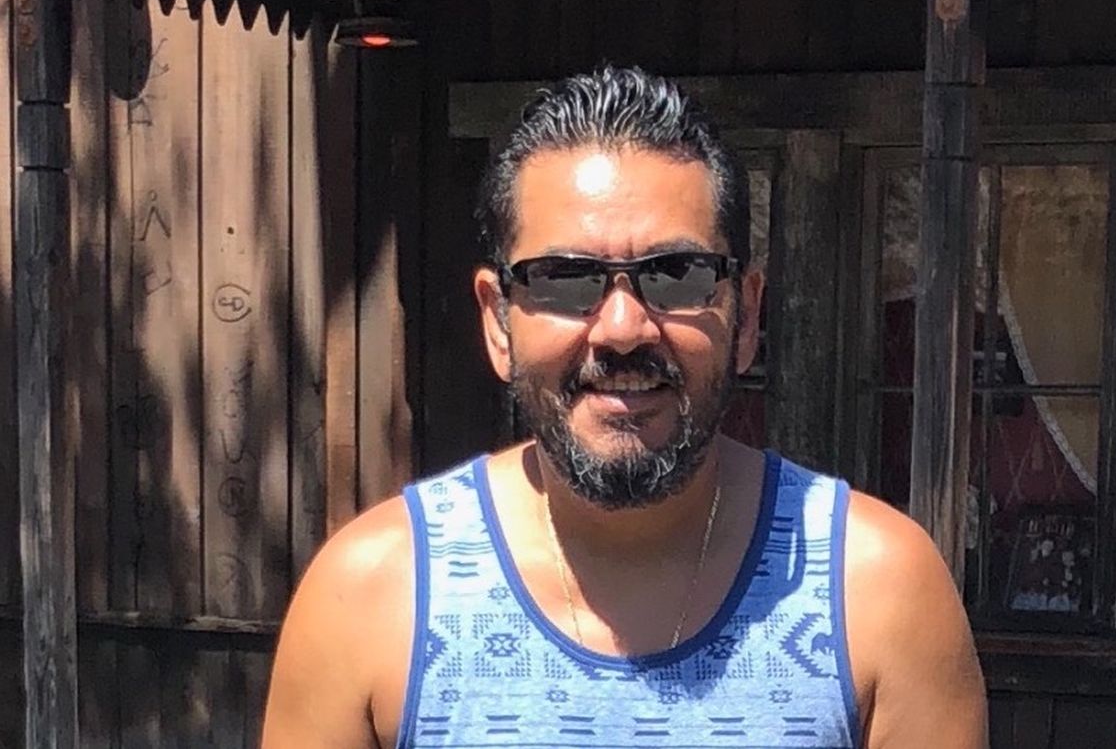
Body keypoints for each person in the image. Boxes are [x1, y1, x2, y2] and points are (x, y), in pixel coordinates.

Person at [262, 67, 987, 748]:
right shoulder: (370, 598)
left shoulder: (878, 593)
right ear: (497, 322)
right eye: (565, 278)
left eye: (676, 274)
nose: (621, 328)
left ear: (747, 315)